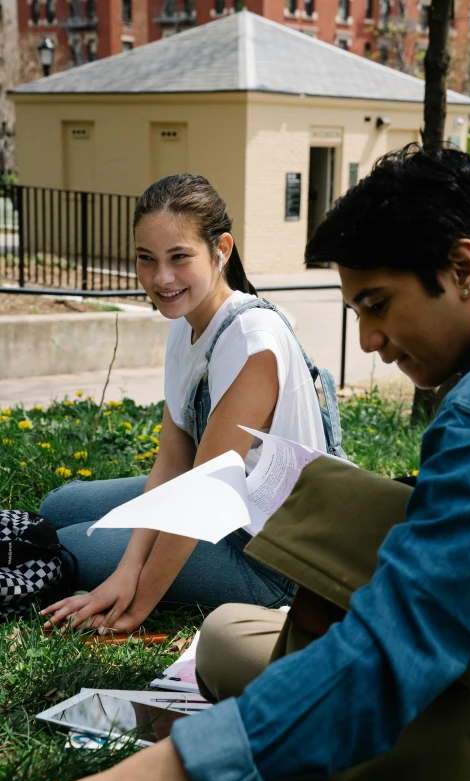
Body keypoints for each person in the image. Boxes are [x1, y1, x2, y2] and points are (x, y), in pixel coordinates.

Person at [73, 144, 470, 781]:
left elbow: (393, 653)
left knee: (213, 632)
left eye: (378, 304)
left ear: (464, 268)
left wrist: (173, 767)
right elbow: (174, 458)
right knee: (213, 628)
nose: (367, 341)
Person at [39, 173, 335, 634]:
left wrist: (135, 605)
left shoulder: (252, 341)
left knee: (69, 548)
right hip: (218, 508)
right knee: (57, 507)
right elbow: (174, 461)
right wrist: (129, 563)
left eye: (180, 258)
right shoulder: (185, 323)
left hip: (271, 560)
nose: (162, 278)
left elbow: (200, 493)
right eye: (146, 259)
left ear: (221, 251)